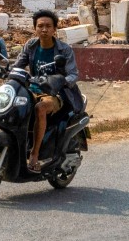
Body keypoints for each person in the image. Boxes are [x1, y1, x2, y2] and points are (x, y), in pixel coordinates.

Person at [12, 9, 81, 173]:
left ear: (54, 29)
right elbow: (17, 66)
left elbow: (73, 74)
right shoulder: (30, 46)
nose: (44, 29)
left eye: (48, 26)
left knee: (40, 108)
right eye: (40, 26)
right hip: (32, 90)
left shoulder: (64, 50)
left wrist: (60, 80)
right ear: (35, 28)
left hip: (56, 94)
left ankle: (34, 155)